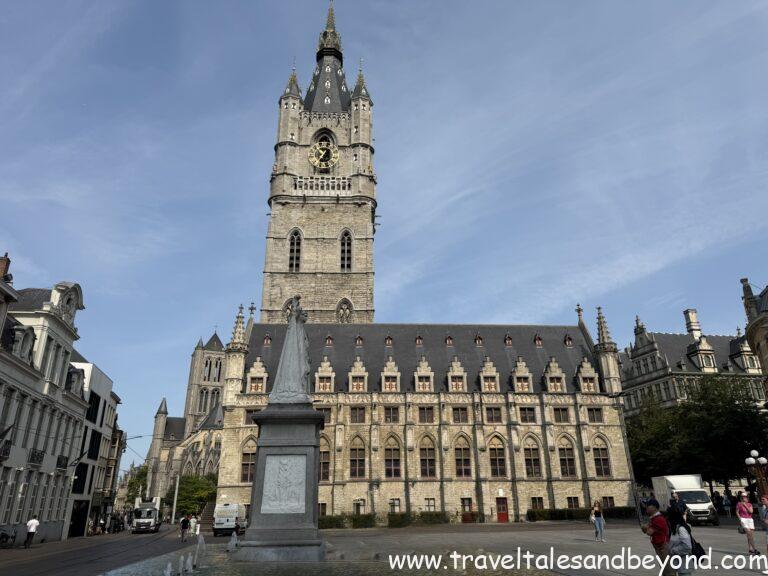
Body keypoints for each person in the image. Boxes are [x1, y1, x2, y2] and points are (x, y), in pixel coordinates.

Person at [642, 499, 674, 576]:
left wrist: (645, 527)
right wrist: (646, 527)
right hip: (659, 547)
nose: (646, 507)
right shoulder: (653, 518)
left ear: (654, 507)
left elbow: (649, 532)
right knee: (664, 569)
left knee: (668, 570)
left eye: (648, 505)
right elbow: (645, 530)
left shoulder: (658, 519)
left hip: (663, 547)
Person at [668, 507, 694, 576]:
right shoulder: (675, 528)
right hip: (679, 563)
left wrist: (673, 550)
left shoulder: (681, 529)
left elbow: (687, 546)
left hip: (684, 563)